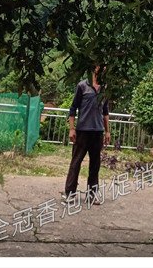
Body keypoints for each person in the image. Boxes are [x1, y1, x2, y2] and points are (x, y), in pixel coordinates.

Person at [64, 66, 110, 204]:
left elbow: (105, 111)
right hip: (82, 131)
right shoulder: (82, 86)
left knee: (95, 164)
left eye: (104, 67)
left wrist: (107, 131)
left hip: (98, 132)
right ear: (93, 68)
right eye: (99, 67)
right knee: (76, 162)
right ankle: (70, 193)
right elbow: (73, 108)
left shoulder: (105, 88)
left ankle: (92, 194)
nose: (102, 69)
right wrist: (72, 129)